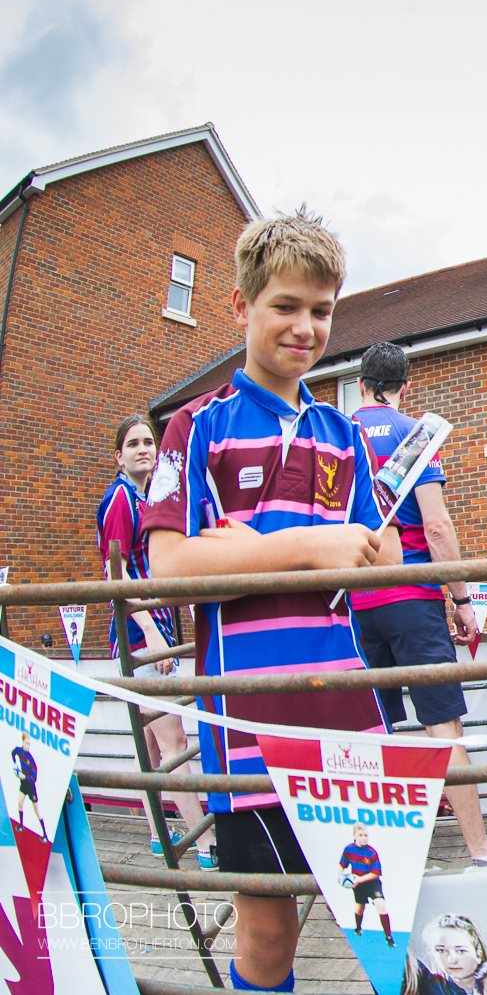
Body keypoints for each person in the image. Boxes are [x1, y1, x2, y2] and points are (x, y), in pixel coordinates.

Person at [143, 207, 403, 993]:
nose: (305, 326)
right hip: (245, 723)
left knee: (378, 916)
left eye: (321, 310)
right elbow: (169, 566)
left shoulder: (344, 433)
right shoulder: (194, 427)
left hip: (348, 714)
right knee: (266, 933)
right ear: (240, 306)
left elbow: (384, 556)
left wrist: (241, 548)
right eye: (285, 305)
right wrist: (309, 546)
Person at [349, 342, 487, 867]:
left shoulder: (337, 434)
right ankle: (480, 849)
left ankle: (379, 857)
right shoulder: (415, 435)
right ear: (404, 386)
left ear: (361, 385)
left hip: (354, 600)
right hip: (412, 594)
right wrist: (463, 601)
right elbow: (436, 527)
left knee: (371, 735)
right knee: (444, 731)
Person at [97, 414, 218, 868]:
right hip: (139, 635)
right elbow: (115, 572)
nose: (144, 449)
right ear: (119, 456)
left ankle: (155, 833)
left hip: (154, 631)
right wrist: (149, 629)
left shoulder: (149, 498)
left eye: (149, 442)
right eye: (133, 444)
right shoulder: (120, 499)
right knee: (174, 740)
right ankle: (205, 842)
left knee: (150, 743)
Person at [339, 823, 393, 946]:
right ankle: (358, 928)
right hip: (358, 885)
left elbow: (376, 873)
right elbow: (342, 864)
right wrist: (339, 876)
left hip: (372, 883)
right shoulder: (349, 849)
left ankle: (389, 937)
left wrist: (360, 879)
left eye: (366, 835)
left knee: (380, 904)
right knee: (360, 907)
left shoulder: (371, 852)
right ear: (354, 835)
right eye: (361, 835)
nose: (364, 838)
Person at [426, 913, 487, 995]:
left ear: (479, 955)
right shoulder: (428, 987)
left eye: (461, 951)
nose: (451, 960)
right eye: (441, 951)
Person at [10, 736, 45, 840]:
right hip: (24, 784)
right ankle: (21, 825)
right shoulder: (19, 750)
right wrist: (15, 764)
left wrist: (24, 776)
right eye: (26, 743)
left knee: (36, 811)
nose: (28, 746)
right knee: (20, 803)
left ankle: (45, 835)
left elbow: (34, 778)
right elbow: (13, 752)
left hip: (30, 786)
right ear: (23, 742)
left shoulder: (31, 760)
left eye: (29, 744)